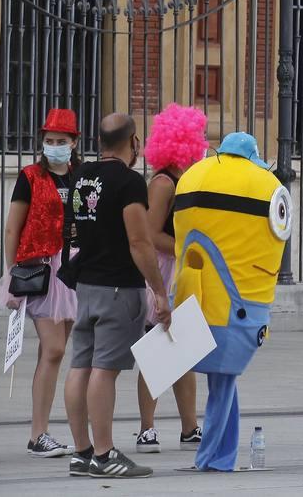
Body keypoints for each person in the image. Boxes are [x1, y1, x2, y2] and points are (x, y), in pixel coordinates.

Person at [172, 131, 291, 472]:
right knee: (223, 380)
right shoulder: (265, 183)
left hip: (192, 294)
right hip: (243, 302)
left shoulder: (193, 175)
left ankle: (218, 454)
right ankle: (213, 457)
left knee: (222, 379)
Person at [62, 113, 172, 479]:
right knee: (104, 371)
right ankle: (105, 454)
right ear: (134, 142)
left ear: (99, 141)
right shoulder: (129, 182)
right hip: (118, 287)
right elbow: (140, 242)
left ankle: (82, 452)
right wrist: (158, 289)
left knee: (80, 366)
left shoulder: (80, 177)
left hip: (87, 284)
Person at [1, 108, 81, 459]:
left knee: (55, 352)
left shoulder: (82, 176)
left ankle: (43, 430)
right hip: (40, 268)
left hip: (74, 268)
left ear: (74, 143)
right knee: (54, 349)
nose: (54, 146)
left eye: (61, 141)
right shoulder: (30, 176)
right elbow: (11, 227)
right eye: (49, 141)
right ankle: (37, 434)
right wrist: (13, 274)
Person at [134, 104, 205, 454]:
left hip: (180, 269)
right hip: (163, 270)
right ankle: (147, 428)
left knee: (184, 351)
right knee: (156, 350)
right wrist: (183, 246)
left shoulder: (185, 180)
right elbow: (148, 233)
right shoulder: (163, 183)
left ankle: (189, 426)